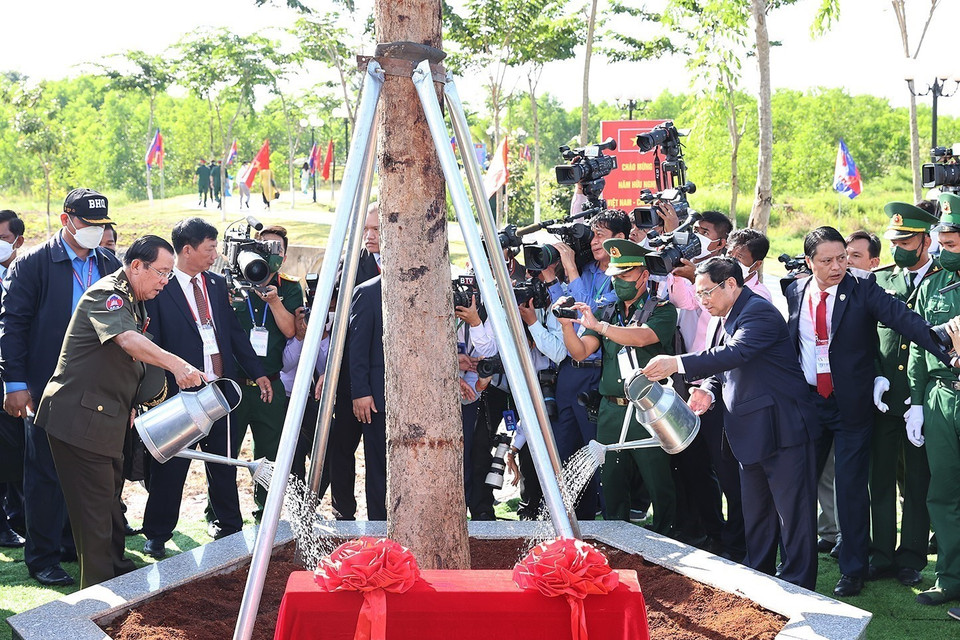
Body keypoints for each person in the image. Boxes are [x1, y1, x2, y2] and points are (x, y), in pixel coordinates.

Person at [785, 225, 952, 598]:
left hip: (851, 407)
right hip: (810, 404)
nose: (837, 267)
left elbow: (905, 320)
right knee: (798, 485)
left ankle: (853, 570)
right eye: (827, 261)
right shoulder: (795, 291)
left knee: (851, 489)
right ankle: (795, 564)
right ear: (809, 262)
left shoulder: (863, 290)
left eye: (842, 258)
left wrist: (947, 347)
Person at [35, 235, 206, 588]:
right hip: (79, 419)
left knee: (111, 504)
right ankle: (99, 596)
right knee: (95, 513)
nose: (165, 281)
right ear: (137, 266)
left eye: (169, 274)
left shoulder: (134, 300)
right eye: (161, 272)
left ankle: (118, 574)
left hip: (105, 417)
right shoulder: (108, 294)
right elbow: (127, 341)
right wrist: (177, 365)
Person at [642, 256, 819, 589]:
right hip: (749, 432)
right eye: (698, 294)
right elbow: (724, 367)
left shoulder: (758, 311)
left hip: (782, 430)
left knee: (793, 516)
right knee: (757, 515)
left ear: (731, 284)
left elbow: (735, 353)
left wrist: (676, 363)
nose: (702, 301)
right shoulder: (725, 315)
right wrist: (708, 390)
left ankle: (799, 585)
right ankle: (761, 579)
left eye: (707, 292)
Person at [0, 188, 121, 587]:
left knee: (87, 470)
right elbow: (12, 325)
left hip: (97, 386)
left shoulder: (108, 262)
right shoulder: (34, 263)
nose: (95, 231)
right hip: (47, 385)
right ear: (67, 219)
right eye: (88, 223)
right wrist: (15, 383)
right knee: (46, 473)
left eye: (101, 225)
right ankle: (43, 557)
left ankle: (73, 544)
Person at [140, 218, 272, 557]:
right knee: (173, 466)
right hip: (180, 394)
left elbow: (233, 333)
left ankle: (229, 527)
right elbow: (150, 342)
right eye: (209, 249)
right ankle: (157, 533)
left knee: (224, 462)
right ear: (187, 250)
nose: (215, 255)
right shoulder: (162, 286)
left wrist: (257, 372)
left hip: (220, 389)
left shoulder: (214, 283)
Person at [559, 238, 677, 534]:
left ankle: (669, 537)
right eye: (615, 275)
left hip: (648, 410)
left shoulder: (662, 310)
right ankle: (615, 541)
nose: (618, 281)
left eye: (625, 275)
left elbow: (641, 337)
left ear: (644, 275)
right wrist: (566, 325)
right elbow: (580, 352)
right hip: (611, 410)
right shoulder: (607, 311)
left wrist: (600, 327)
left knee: (659, 483)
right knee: (611, 484)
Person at [869, 203, 940, 589]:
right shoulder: (879, 280)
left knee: (917, 481)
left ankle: (911, 556)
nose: (899, 247)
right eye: (894, 241)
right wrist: (875, 376)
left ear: (926, 241)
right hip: (885, 398)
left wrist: (923, 397)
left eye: (907, 241)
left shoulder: (944, 281)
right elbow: (865, 337)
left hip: (923, 399)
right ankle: (880, 554)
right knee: (879, 478)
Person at [545, 204, 631, 520]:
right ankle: (573, 522)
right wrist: (552, 279)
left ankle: (610, 525)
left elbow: (587, 315)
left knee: (597, 453)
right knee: (565, 450)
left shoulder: (623, 276)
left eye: (601, 235)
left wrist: (570, 268)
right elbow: (566, 308)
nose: (594, 242)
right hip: (569, 371)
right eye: (592, 235)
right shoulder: (589, 270)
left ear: (620, 239)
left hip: (597, 373)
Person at [908, 192, 960, 606]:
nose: (943, 251)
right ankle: (950, 577)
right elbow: (919, 345)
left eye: (952, 244)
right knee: (942, 492)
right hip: (941, 397)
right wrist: (917, 402)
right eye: (940, 244)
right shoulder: (934, 284)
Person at [231, 225, 301, 519]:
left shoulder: (290, 287)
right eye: (265, 247)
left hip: (271, 385)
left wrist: (274, 302)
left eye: (277, 249)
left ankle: (265, 510)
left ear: (284, 256)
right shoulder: (234, 283)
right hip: (234, 384)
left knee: (270, 453)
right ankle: (221, 514)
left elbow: (291, 331)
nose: (271, 254)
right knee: (226, 453)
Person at [329, 203, 382, 519]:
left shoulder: (411, 266)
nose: (369, 236)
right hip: (352, 379)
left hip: (389, 384)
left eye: (376, 229)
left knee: (380, 458)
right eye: (365, 229)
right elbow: (344, 331)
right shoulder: (349, 267)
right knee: (342, 447)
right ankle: (343, 513)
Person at [348, 273, 387, 519]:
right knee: (379, 470)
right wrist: (361, 391)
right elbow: (358, 346)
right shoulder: (368, 292)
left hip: (419, 401)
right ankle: (379, 525)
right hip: (378, 401)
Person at [0, 209, 25, 548]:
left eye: (3, 238)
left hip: (16, 378)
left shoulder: (25, 273)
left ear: (18, 241)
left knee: (17, 452)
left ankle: (19, 516)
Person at [726, 228, 772, 302]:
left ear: (756, 265)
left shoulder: (758, 297)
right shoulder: (715, 281)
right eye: (729, 254)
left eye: (739, 257)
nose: (731, 261)